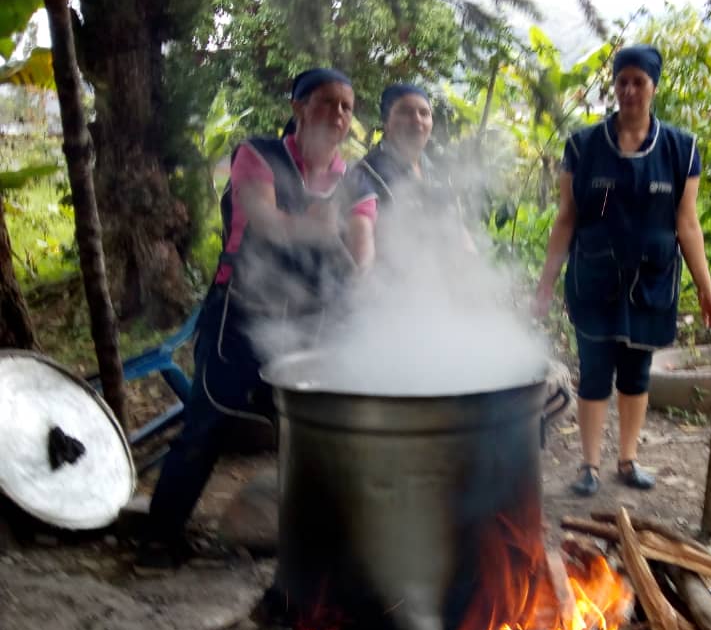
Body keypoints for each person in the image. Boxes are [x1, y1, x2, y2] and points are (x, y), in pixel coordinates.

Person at [138, 67, 377, 568]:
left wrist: (357, 267)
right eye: (326, 102)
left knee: (307, 433)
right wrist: (318, 229)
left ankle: (302, 544)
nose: (337, 114)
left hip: (312, 327)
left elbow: (362, 250)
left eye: (346, 107)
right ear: (297, 107)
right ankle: (158, 540)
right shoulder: (258, 154)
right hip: (241, 316)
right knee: (206, 425)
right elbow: (267, 226)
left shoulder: (356, 179)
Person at [533, 45, 711, 497]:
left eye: (639, 81)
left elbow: (687, 222)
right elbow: (566, 218)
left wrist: (706, 288)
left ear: (654, 86)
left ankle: (627, 459)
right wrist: (545, 285)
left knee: (637, 372)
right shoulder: (582, 145)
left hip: (652, 278)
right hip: (593, 277)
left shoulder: (681, 147)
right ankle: (589, 466)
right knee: (595, 370)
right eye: (622, 81)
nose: (630, 89)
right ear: (613, 87)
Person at [352, 83, 475, 256]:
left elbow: (457, 227)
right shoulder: (366, 173)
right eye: (405, 112)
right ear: (386, 122)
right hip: (390, 277)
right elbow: (363, 243)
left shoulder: (437, 171)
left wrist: (470, 260)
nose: (417, 119)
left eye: (424, 113)